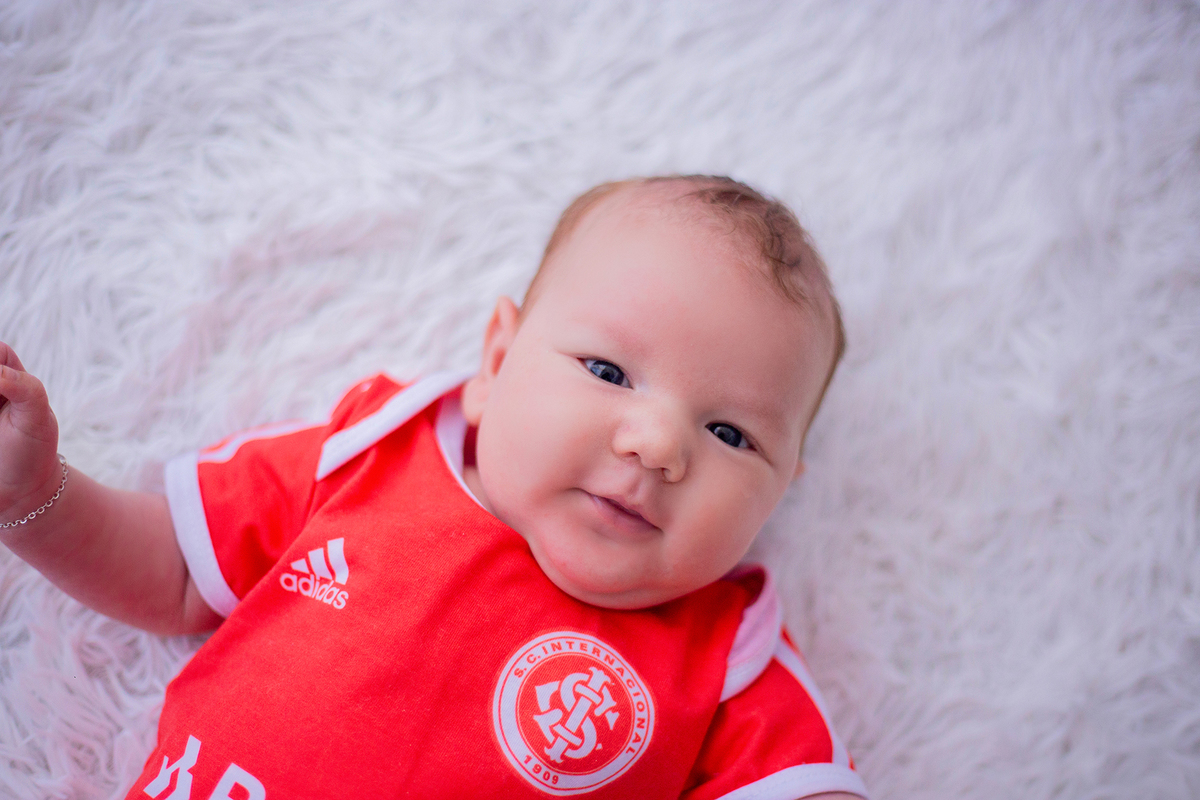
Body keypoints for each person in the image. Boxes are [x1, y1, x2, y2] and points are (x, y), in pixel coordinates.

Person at [0, 175, 867, 799]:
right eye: (608, 369)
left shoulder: (728, 659)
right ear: (498, 359)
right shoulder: (370, 455)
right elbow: (178, 571)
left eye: (730, 435)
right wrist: (35, 497)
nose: (658, 445)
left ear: (778, 491)